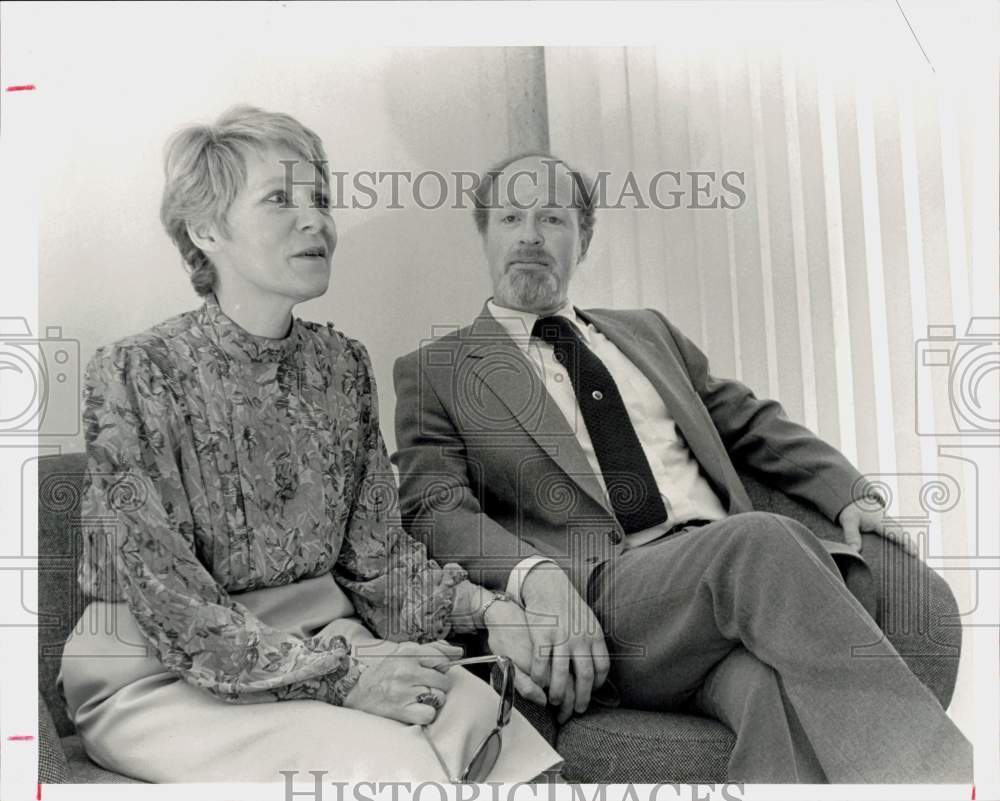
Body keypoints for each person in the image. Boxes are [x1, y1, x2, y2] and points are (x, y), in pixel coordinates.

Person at [391, 153, 973, 783]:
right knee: (759, 544)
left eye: (552, 217)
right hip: (613, 597)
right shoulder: (439, 369)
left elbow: (748, 420)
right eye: (511, 216)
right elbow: (434, 505)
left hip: (732, 587)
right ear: (486, 234)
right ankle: (944, 782)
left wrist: (846, 495)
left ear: (583, 238)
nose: (530, 233)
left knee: (767, 695)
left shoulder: (645, 333)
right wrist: (532, 577)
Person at [57, 109, 561, 784]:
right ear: (207, 231)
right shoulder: (134, 373)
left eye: (321, 198)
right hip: (160, 675)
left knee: (504, 746)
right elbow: (168, 600)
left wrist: (491, 609)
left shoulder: (343, 367)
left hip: (324, 645)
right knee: (395, 766)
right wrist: (345, 675)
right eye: (280, 200)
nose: (316, 220)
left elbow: (377, 560)